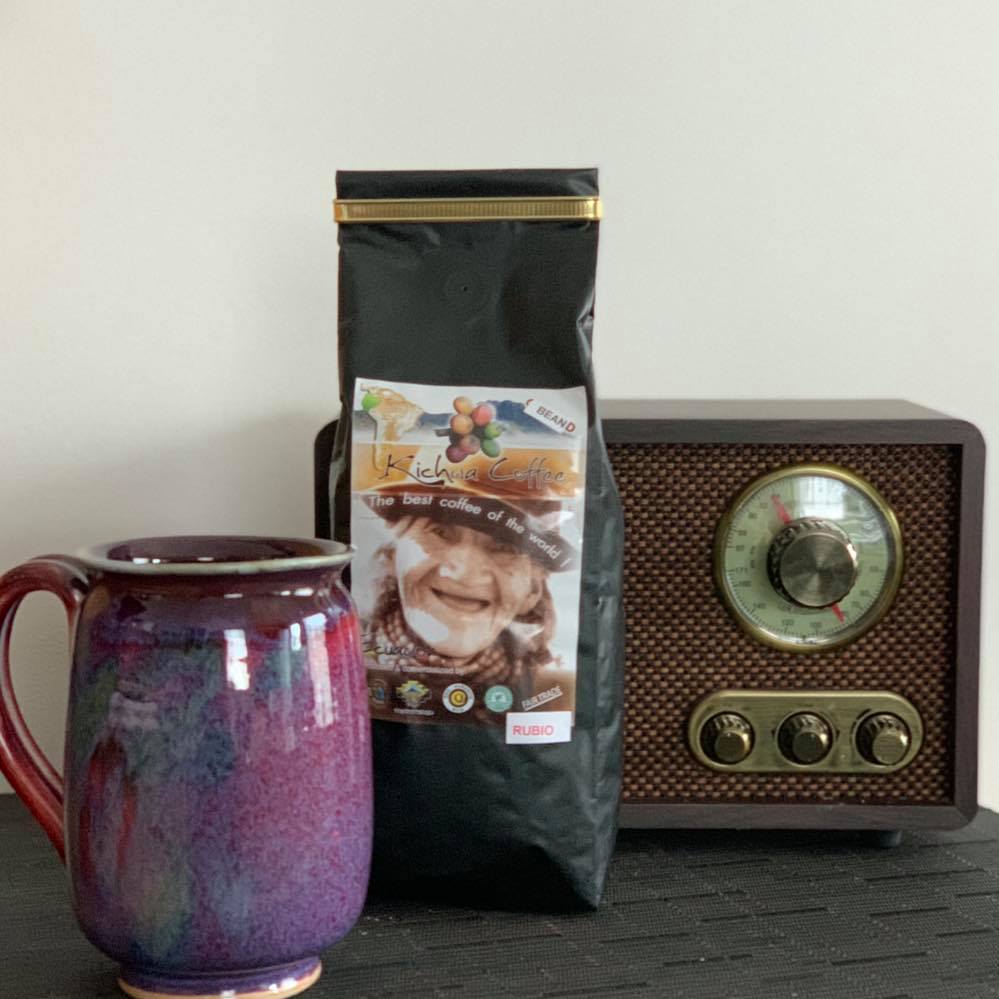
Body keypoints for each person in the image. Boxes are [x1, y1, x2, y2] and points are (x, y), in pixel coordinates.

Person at [361, 488, 577, 712]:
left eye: (504, 547)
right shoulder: (340, 662)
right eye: (440, 533)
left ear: (532, 592)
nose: (464, 573)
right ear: (392, 556)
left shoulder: (555, 697)